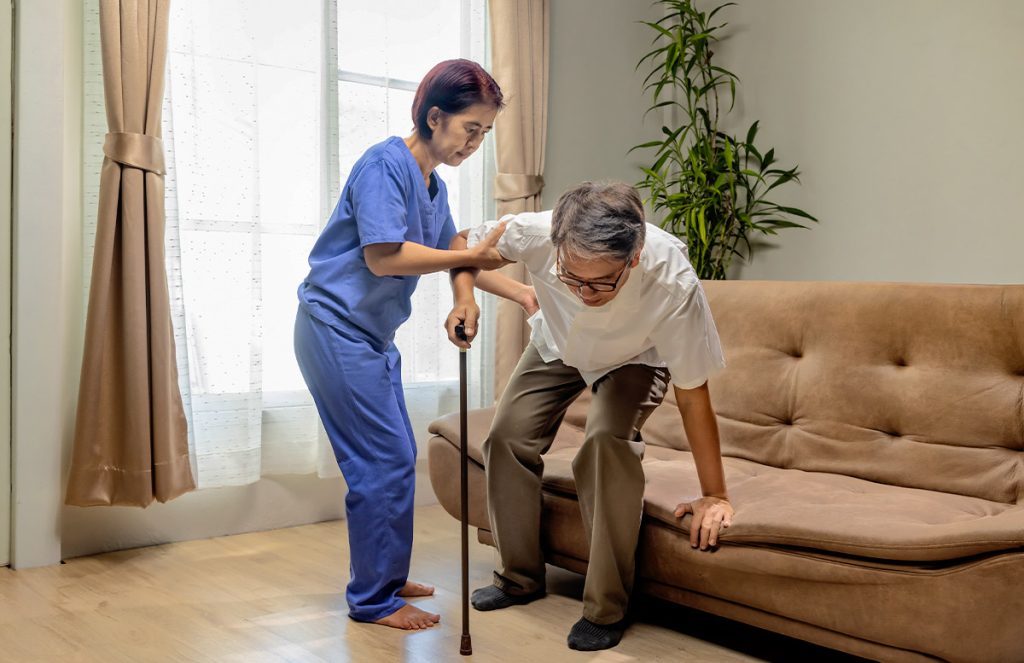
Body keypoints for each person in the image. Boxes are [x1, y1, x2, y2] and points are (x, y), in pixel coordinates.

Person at [445, 181, 736, 650]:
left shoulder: (673, 282)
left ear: (635, 257)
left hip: (635, 357)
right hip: (557, 343)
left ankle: (605, 608)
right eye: (571, 277)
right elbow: (462, 246)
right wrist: (471, 295)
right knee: (505, 438)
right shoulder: (533, 232)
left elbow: (693, 394)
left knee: (604, 443)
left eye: (602, 282)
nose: (585, 292)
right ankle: (518, 577)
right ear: (557, 245)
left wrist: (715, 494)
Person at [293, 59, 510, 631]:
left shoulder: (431, 182)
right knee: (381, 462)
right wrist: (468, 259)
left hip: (370, 338)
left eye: (485, 133)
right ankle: (373, 600)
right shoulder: (384, 165)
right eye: (471, 128)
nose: (476, 142)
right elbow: (385, 256)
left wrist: (515, 295)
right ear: (435, 116)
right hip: (334, 329)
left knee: (394, 459)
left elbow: (455, 250)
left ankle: (385, 577)